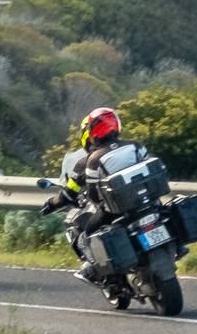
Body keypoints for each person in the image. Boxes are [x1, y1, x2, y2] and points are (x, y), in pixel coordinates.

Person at [47, 107, 146, 276]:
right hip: (144, 199)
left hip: (115, 208)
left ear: (90, 132)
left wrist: (53, 202)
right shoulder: (136, 146)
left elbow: (91, 194)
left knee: (87, 233)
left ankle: (94, 268)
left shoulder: (92, 160)